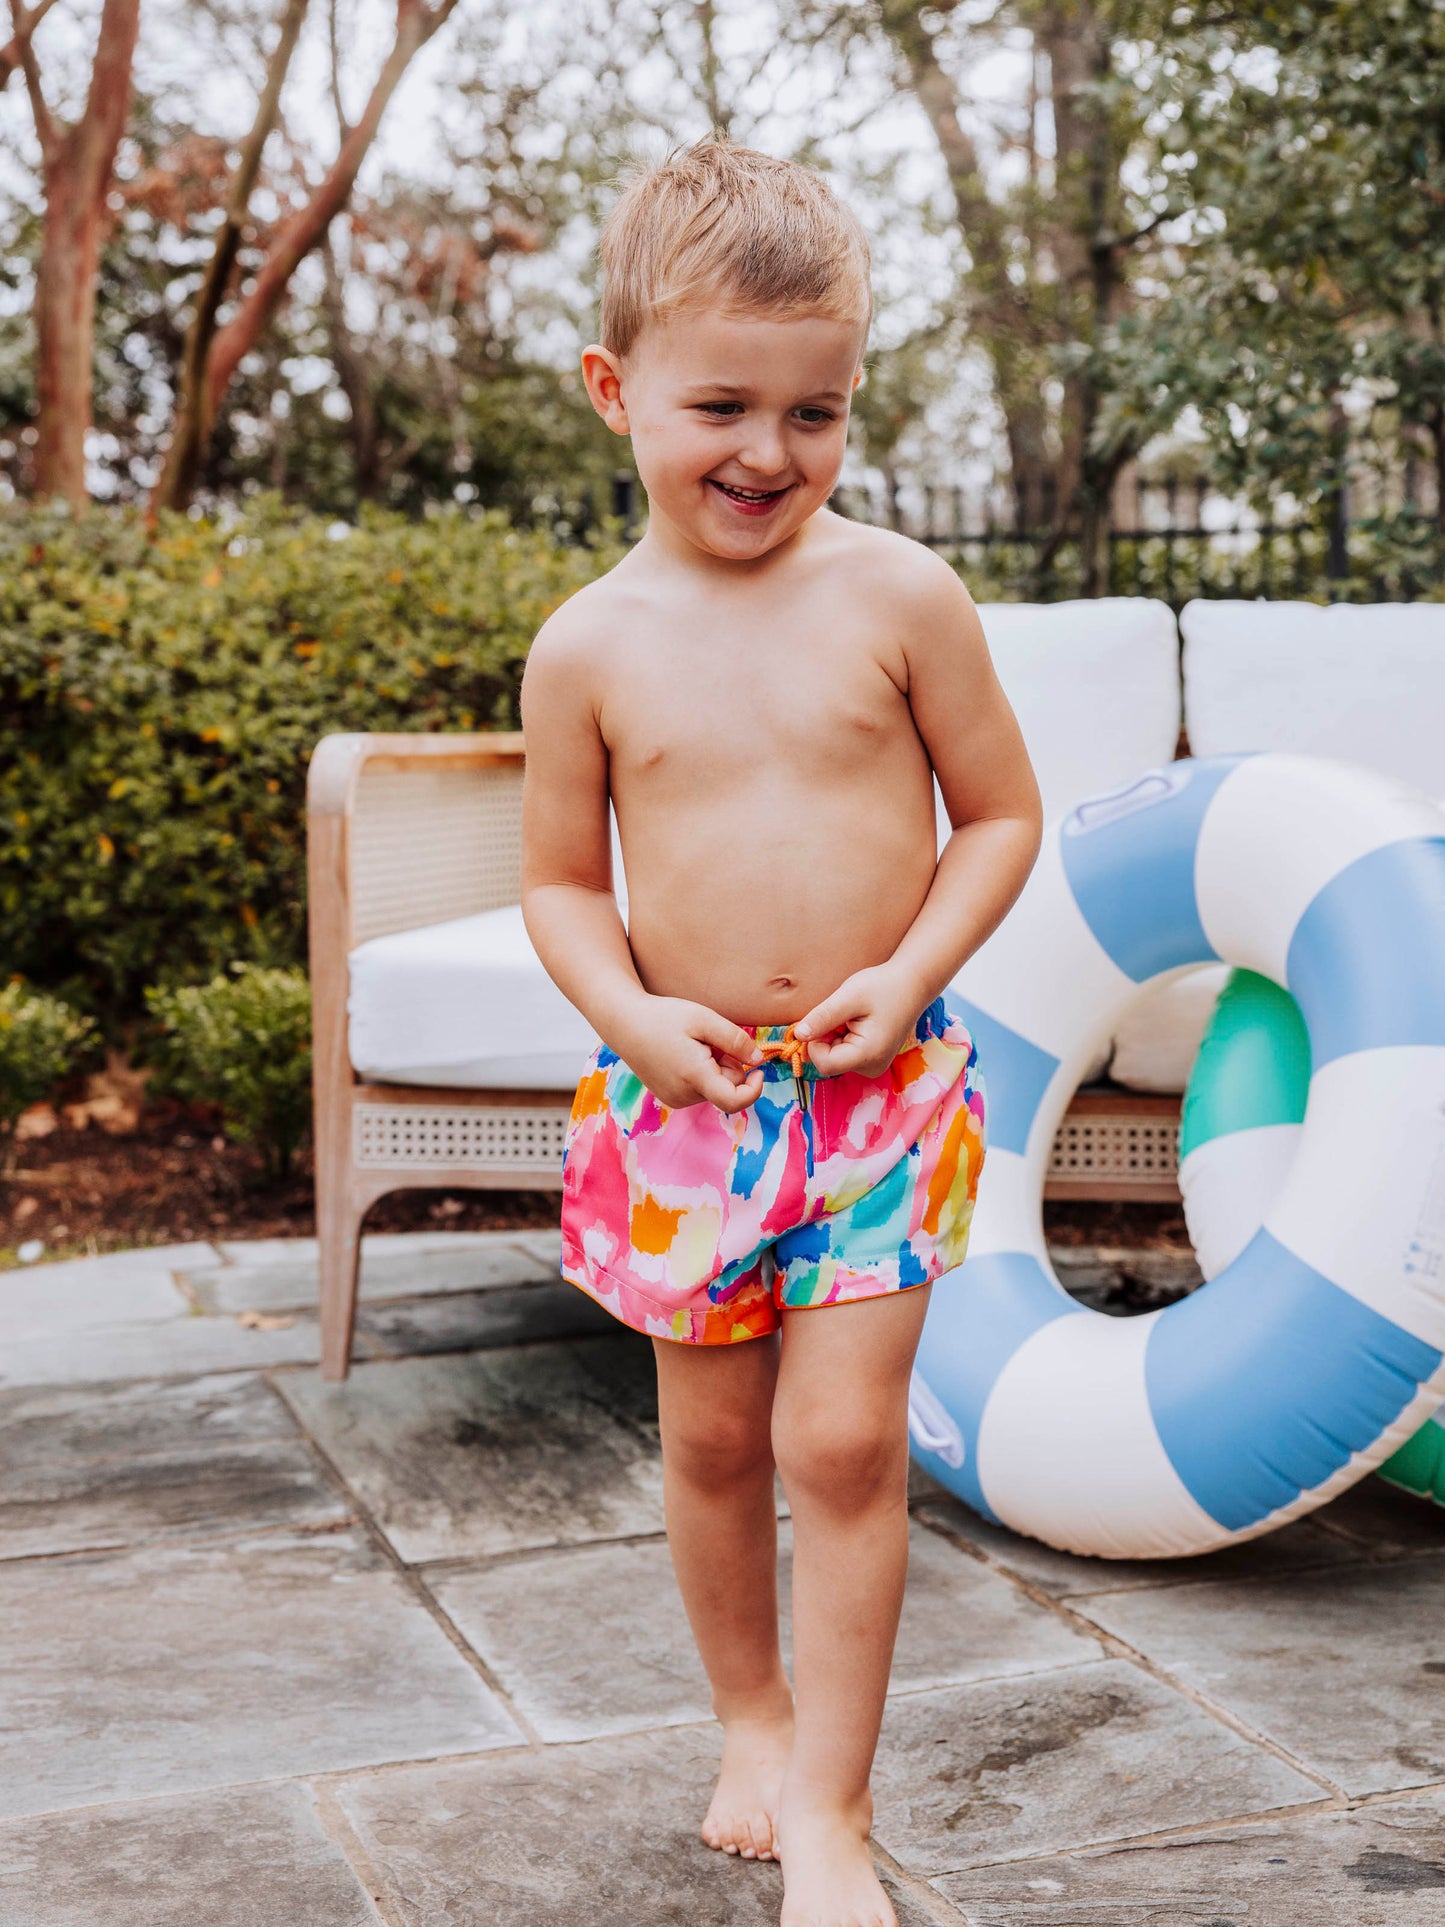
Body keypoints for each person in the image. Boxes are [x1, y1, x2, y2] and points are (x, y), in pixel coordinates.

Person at [520, 137, 1041, 1927]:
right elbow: (559, 887)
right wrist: (629, 1013)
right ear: (616, 391)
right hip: (681, 1112)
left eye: (812, 413)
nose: (767, 453)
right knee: (717, 1448)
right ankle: (749, 1720)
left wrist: (907, 976)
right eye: (720, 403)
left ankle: (832, 1801)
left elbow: (996, 817)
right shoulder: (588, 644)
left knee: (839, 1447)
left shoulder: (898, 599)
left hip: (879, 1093)